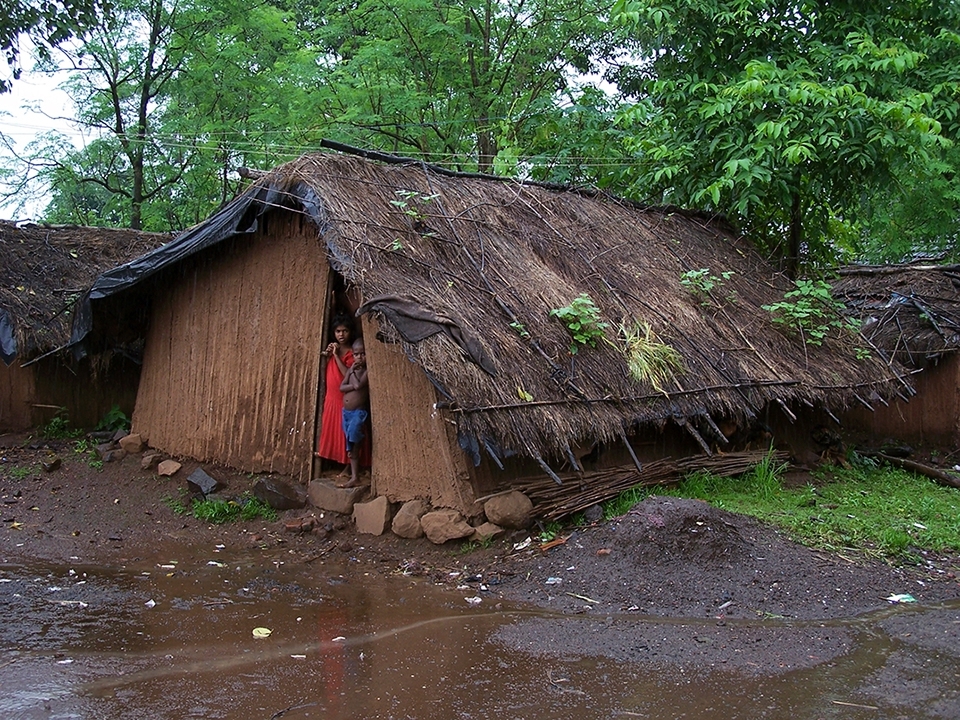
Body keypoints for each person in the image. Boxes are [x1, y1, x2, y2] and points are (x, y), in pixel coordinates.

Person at [315, 315, 355, 467]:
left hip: (343, 400)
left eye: (345, 331)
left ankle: (347, 466)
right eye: (338, 331)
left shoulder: (352, 353)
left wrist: (337, 356)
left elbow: (348, 375)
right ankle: (335, 463)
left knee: (344, 434)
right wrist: (329, 354)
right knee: (332, 432)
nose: (341, 335)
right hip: (331, 398)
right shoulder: (333, 350)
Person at [338, 338, 369, 488]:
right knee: (350, 446)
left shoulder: (366, 372)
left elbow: (358, 386)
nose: (359, 357)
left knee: (354, 437)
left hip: (358, 413)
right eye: (357, 354)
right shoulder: (351, 370)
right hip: (347, 413)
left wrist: (353, 372)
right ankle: (355, 477)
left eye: (363, 354)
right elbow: (342, 388)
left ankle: (355, 473)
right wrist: (351, 372)